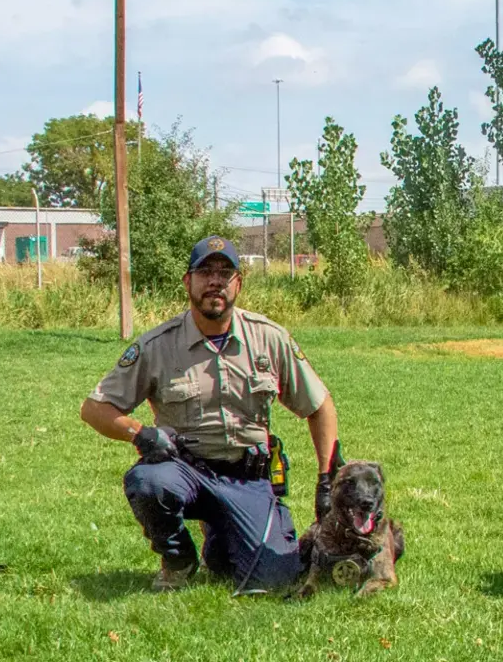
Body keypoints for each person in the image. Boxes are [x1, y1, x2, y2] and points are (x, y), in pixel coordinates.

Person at [80, 236, 341, 592]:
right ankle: (178, 559)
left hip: (246, 477)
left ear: (238, 283)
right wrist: (140, 433)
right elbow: (94, 408)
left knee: (273, 581)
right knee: (149, 483)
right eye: (205, 272)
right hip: (185, 471)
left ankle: (221, 536)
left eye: (225, 272)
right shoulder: (158, 345)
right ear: (188, 282)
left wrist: (327, 478)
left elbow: (319, 405)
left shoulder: (269, 339)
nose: (215, 281)